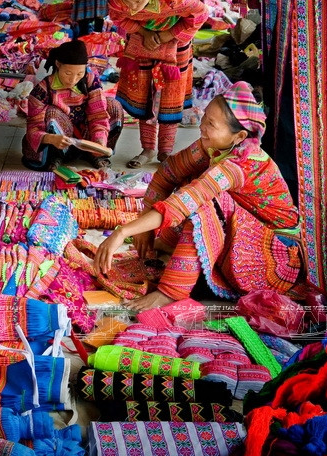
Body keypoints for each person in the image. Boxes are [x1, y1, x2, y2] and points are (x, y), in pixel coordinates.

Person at [94, 82, 304, 312]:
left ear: (239, 136)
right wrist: (143, 226)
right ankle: (177, 255)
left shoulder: (240, 165)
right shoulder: (215, 146)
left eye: (211, 124)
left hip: (274, 258)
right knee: (190, 181)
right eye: (205, 118)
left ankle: (171, 292)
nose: (202, 126)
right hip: (245, 236)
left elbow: (186, 201)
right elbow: (168, 172)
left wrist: (124, 231)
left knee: (201, 202)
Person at [108, 0, 207, 167]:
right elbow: (117, 17)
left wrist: (168, 35)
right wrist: (144, 33)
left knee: (170, 97)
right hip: (143, 44)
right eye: (128, 1)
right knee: (144, 95)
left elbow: (200, 14)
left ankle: (165, 151)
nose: (132, 7)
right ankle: (148, 149)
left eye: (138, 1)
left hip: (175, 46)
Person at [22, 40, 123, 170]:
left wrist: (99, 141)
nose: (73, 80)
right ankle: (56, 156)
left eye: (79, 74)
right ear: (58, 64)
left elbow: (98, 115)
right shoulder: (43, 89)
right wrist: (51, 138)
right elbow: (33, 129)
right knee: (53, 112)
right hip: (58, 142)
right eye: (68, 73)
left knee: (114, 105)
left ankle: (95, 154)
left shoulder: (90, 80)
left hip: (85, 138)